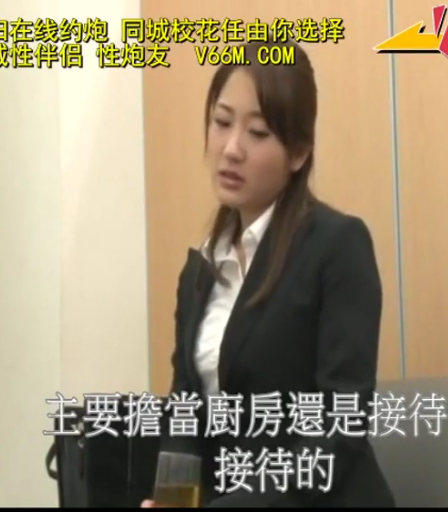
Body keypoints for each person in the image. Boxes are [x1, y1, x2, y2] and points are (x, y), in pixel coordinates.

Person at [143, 38, 395, 508]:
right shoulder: (200, 271)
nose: (231, 149)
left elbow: (340, 425)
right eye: (221, 122)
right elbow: (185, 411)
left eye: (257, 133)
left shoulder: (336, 245)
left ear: (298, 153)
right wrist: (174, 503)